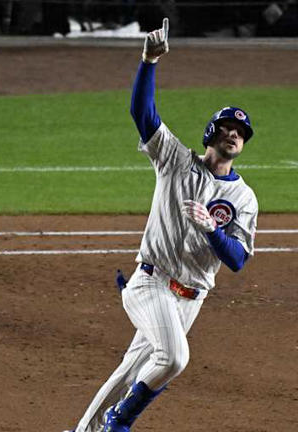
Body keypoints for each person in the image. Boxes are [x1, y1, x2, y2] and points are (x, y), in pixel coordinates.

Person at [66, 17, 259, 432]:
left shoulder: (244, 198)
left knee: (129, 371)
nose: (233, 135)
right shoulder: (175, 160)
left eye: (240, 132)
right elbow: (142, 111)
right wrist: (149, 60)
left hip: (190, 300)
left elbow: (239, 260)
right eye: (227, 127)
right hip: (151, 281)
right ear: (211, 132)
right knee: (173, 359)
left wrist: (212, 230)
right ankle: (119, 421)